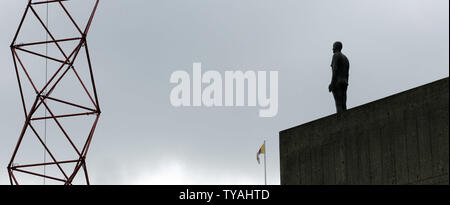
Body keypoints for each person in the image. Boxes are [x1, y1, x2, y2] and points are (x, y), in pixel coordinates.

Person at [328, 41, 349, 113]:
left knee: (338, 104)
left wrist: (332, 83)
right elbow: (347, 73)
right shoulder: (346, 58)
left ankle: (340, 120)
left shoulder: (335, 55)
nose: (332, 49)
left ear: (336, 47)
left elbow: (335, 70)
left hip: (337, 82)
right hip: (345, 82)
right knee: (344, 104)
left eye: (333, 47)